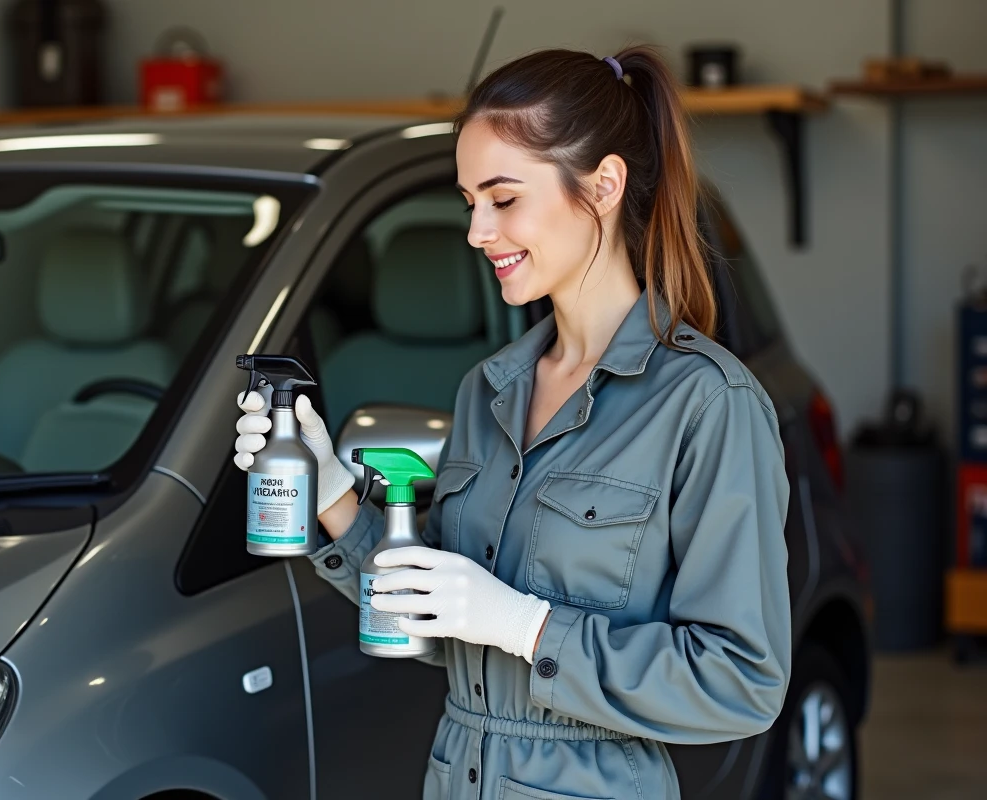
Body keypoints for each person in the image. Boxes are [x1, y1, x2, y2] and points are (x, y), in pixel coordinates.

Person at [234, 45, 791, 800]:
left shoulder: (708, 404)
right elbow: (445, 622)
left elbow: (741, 683)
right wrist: (332, 494)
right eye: (469, 202)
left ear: (603, 186)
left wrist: (528, 626)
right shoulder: (487, 390)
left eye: (503, 198)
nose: (476, 231)